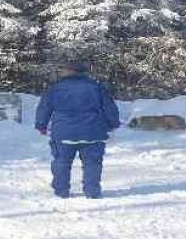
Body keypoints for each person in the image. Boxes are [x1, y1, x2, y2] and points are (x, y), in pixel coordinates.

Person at [35, 61, 121, 199]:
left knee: (61, 162)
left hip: (63, 132)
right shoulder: (96, 87)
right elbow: (109, 107)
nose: (61, 72)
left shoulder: (55, 88)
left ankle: (61, 191)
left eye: (63, 69)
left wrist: (41, 125)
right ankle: (92, 192)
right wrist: (113, 123)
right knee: (92, 163)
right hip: (93, 132)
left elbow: (44, 107)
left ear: (70, 71)